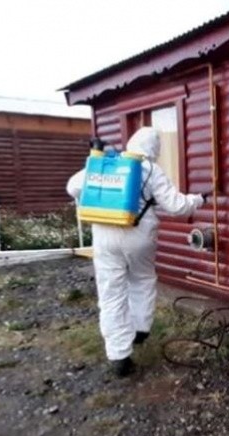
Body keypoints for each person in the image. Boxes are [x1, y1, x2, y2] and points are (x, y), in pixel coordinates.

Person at [66, 127, 206, 377]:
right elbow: (176, 206)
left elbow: (73, 188)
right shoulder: (151, 169)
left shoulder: (107, 162)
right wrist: (198, 200)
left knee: (111, 293)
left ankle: (119, 355)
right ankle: (140, 328)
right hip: (139, 235)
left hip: (105, 235)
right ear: (154, 148)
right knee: (141, 279)